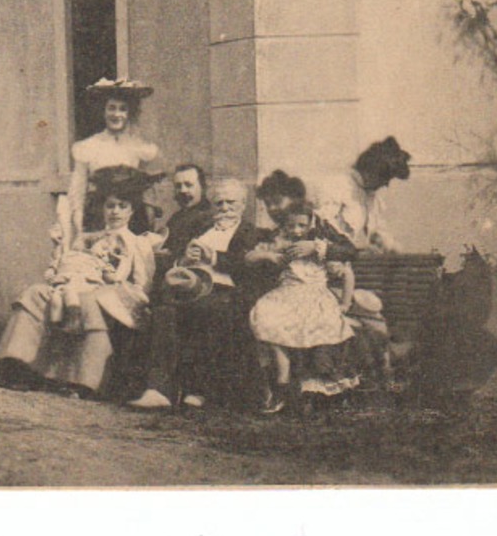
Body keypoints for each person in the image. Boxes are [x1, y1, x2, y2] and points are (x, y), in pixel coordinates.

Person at [0, 167, 163, 396]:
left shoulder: (137, 243)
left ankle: (81, 381)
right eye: (110, 205)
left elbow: (142, 286)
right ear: (103, 208)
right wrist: (59, 254)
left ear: (132, 211)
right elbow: (68, 262)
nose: (115, 212)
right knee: (36, 293)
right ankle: (20, 364)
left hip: (110, 294)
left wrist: (112, 282)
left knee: (88, 302)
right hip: (75, 284)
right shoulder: (87, 238)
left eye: (122, 206)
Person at [127, 178, 258, 411]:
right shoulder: (201, 228)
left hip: (226, 291)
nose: (225, 209)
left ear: (244, 204)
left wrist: (215, 258)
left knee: (203, 310)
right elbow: (176, 257)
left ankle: (197, 390)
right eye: (219, 204)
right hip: (191, 287)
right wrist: (184, 258)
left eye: (231, 203)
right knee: (163, 312)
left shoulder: (249, 231)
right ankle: (158, 389)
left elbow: (247, 265)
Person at [246, 201, 362, 412]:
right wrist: (269, 255)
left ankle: (309, 388)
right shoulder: (281, 244)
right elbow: (250, 256)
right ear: (284, 226)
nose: (296, 231)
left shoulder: (318, 248)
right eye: (291, 226)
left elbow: (347, 272)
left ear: (310, 224)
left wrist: (345, 302)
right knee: (266, 318)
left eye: (301, 225)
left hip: (315, 296)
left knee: (314, 324)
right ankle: (282, 378)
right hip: (285, 295)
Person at [62, 79, 160, 243]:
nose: (116, 114)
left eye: (123, 109)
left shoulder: (139, 147)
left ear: (130, 113)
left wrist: (150, 222)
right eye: (111, 108)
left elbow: (147, 191)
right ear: (103, 111)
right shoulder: (89, 147)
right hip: (98, 217)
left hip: (132, 218)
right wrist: (79, 228)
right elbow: (78, 189)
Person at [308, 136, 413, 253]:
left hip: (352, 258)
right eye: (384, 178)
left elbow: (378, 231)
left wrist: (390, 247)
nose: (385, 185)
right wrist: (354, 251)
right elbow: (323, 231)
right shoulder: (337, 186)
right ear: (370, 172)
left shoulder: (371, 197)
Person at [162, 163, 213, 253]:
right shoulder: (175, 218)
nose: (183, 190)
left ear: (203, 187)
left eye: (188, 185)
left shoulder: (211, 217)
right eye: (178, 186)